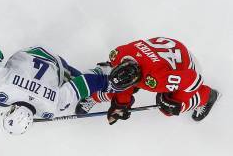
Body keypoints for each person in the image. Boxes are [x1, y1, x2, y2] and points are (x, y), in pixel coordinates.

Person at [0, 44, 109, 134]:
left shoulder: (52, 107)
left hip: (56, 62)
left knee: (75, 90)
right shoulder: (2, 88)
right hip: (32, 53)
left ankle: (101, 73)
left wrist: (106, 84)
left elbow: (85, 82)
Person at [75, 37, 219, 124]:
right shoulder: (117, 54)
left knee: (168, 109)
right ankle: (95, 97)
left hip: (186, 65)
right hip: (165, 52)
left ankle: (207, 96)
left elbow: (194, 79)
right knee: (111, 85)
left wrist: (175, 101)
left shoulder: (156, 79)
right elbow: (123, 85)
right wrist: (120, 104)